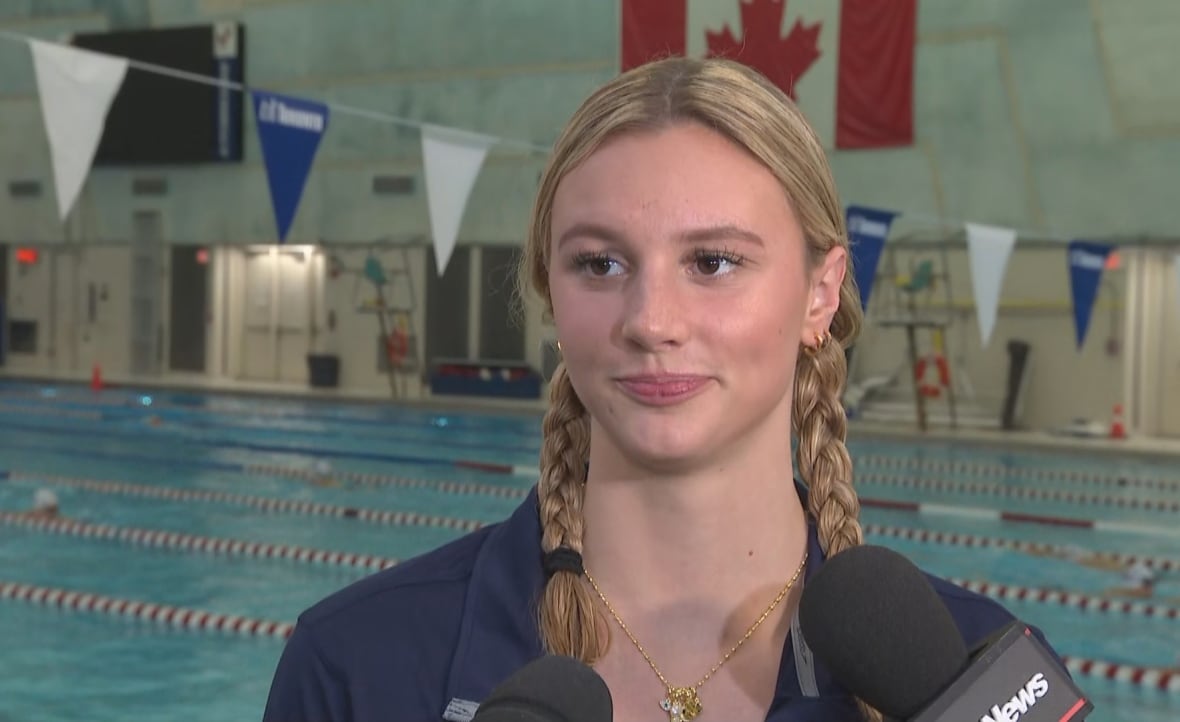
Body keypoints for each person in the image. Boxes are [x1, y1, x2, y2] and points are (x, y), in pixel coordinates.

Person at [263, 57, 1067, 722]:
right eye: (599, 264)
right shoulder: (358, 666)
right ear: (553, 292)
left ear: (819, 295)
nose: (651, 320)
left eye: (714, 261)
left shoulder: (977, 677)